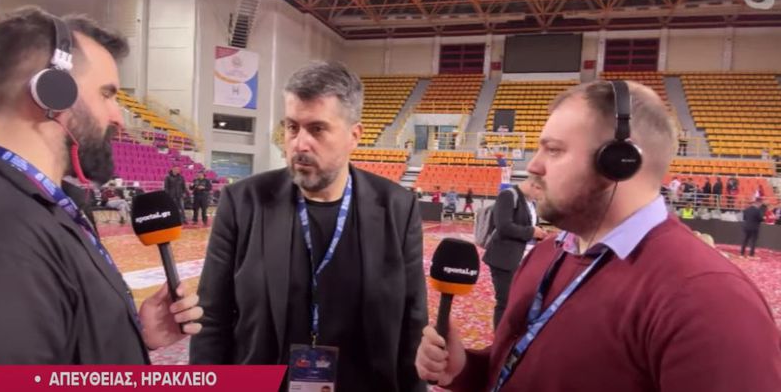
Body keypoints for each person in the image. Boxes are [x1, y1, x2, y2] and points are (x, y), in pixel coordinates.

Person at [415, 80, 781, 391]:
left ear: (619, 161)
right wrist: (467, 369)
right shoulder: (547, 254)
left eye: (554, 150)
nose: (534, 165)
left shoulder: (708, 299)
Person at [0, 7, 202, 391]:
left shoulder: (24, 208)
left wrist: (125, 337)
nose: (118, 117)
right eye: (107, 94)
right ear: (51, 91)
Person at [190, 61, 427, 391]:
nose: (300, 144)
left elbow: (413, 326)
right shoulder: (243, 203)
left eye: (317, 129)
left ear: (354, 136)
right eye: (292, 127)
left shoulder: (397, 208)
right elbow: (212, 319)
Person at [483, 180, 546, 329]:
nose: (540, 197)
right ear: (533, 185)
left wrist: (538, 232)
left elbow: (527, 224)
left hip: (522, 258)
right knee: (505, 301)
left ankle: (510, 334)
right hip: (504, 258)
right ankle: (499, 337)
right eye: (540, 191)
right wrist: (531, 232)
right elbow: (503, 226)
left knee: (518, 300)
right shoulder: (508, 196)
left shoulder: (530, 202)